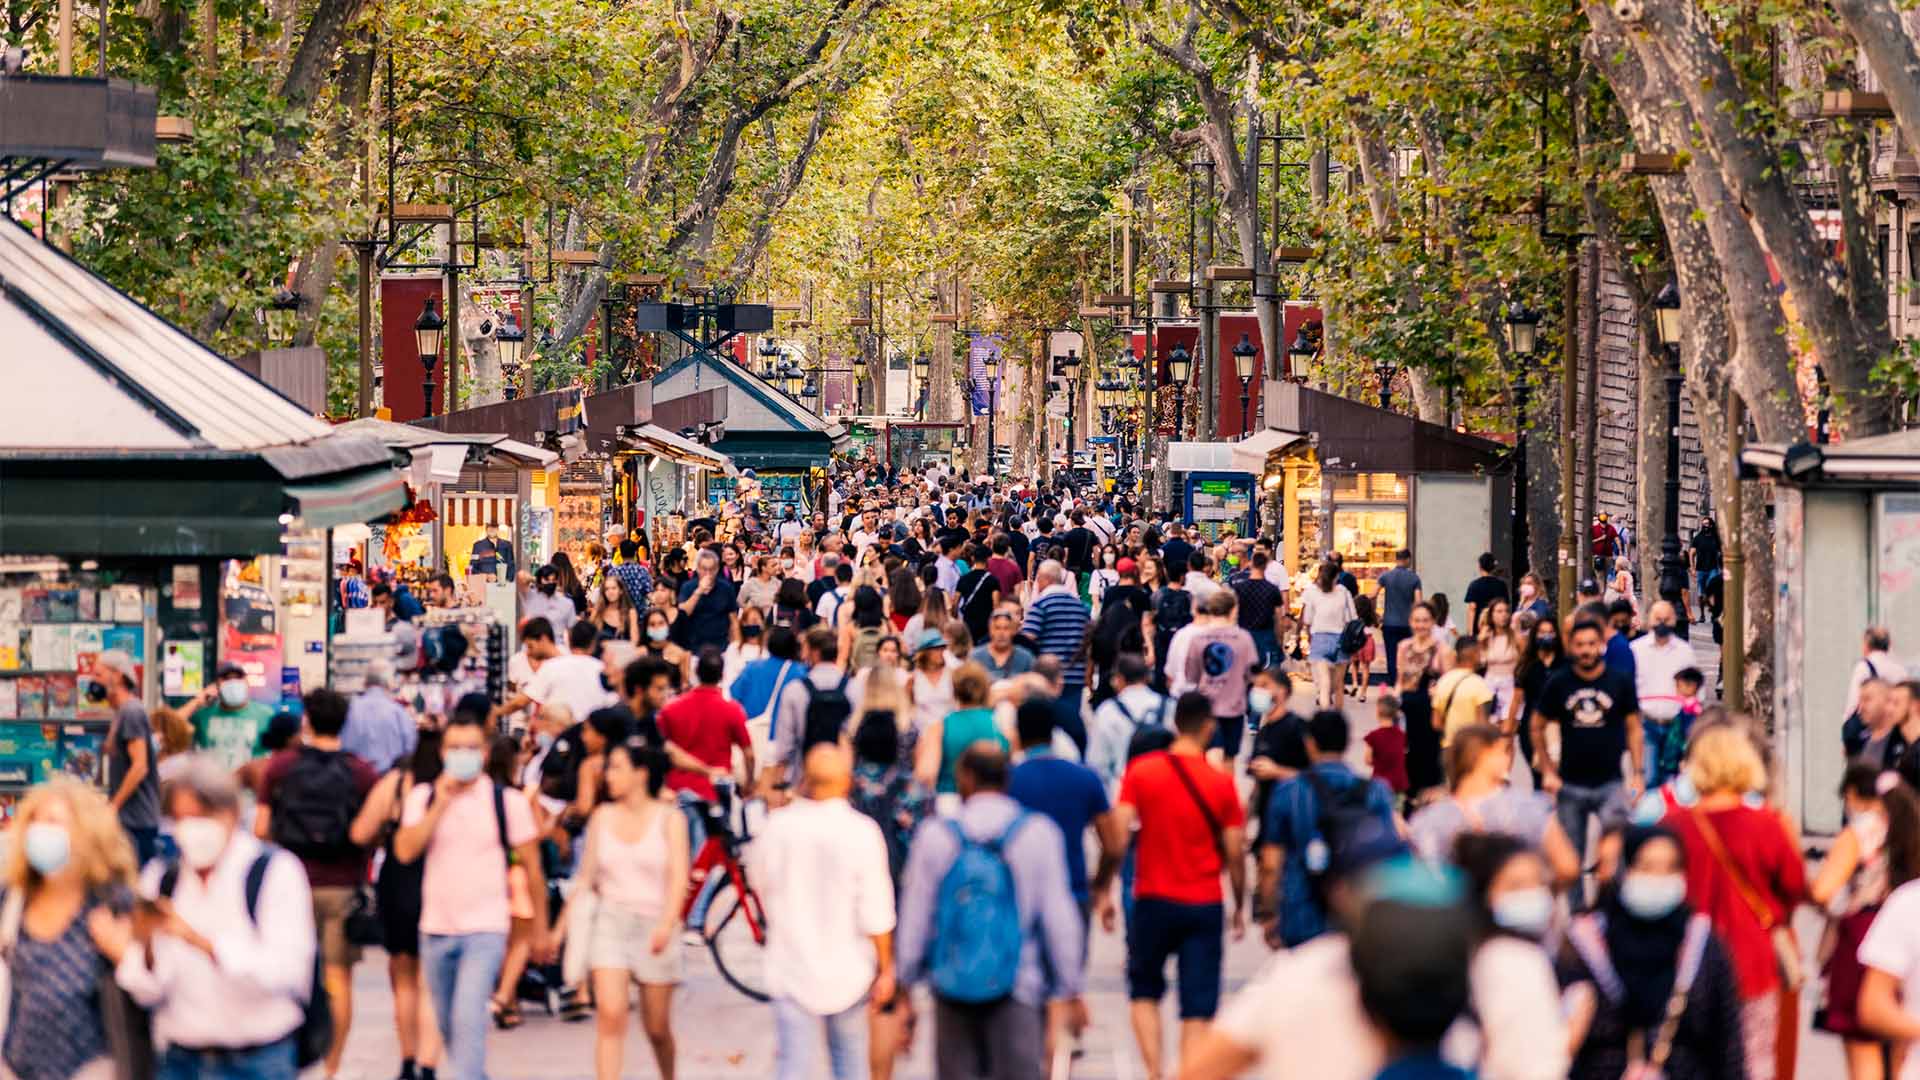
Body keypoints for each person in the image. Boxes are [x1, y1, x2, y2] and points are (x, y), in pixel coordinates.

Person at [107, 757, 317, 1080]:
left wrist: (199, 941)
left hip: (258, 1060)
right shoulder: (164, 878)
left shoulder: (274, 873)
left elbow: (286, 973)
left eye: (200, 816)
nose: (189, 828)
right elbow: (148, 990)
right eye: (179, 818)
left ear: (231, 814)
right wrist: (144, 945)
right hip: (180, 1059)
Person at [896, 745, 1087, 1080]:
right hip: (1019, 985)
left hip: (952, 985)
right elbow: (1059, 919)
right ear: (1006, 779)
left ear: (964, 778)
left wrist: (905, 984)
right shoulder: (1038, 834)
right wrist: (1070, 987)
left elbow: (916, 917)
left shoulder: (936, 835)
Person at [394, 711, 552, 1080]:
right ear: (442, 752)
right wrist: (440, 805)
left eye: (470, 748)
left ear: (484, 753)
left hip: (485, 928)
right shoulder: (424, 796)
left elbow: (532, 867)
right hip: (435, 928)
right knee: (449, 1024)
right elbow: (405, 850)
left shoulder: (506, 803)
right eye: (454, 748)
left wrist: (540, 928)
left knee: (469, 1016)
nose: (462, 755)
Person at [1660, 725, 1808, 1080]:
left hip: (1685, 961)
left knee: (1688, 1058)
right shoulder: (1765, 824)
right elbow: (1795, 885)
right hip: (1752, 959)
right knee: (1753, 1057)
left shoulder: (1673, 824)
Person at [1113, 693, 1247, 1079]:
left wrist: (1105, 887)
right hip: (1203, 902)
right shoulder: (1221, 783)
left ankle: (1155, 1072)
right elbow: (1236, 852)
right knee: (1198, 1006)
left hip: (1152, 897)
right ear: (1208, 728)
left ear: (1176, 724)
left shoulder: (1141, 772)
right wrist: (1240, 904)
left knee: (1143, 991)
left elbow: (1120, 835)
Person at [253, 688, 378, 1080]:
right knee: (338, 978)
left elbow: (260, 829)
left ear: (306, 720)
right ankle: (332, 1068)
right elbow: (370, 832)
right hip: (343, 886)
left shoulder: (280, 767)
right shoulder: (361, 771)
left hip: (289, 885)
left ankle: (291, 1061)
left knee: (288, 974)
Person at [1557, 825, 1746, 1080]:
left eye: (1670, 868)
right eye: (1646, 867)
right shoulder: (1585, 946)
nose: (1658, 878)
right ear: (1624, 871)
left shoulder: (1702, 947)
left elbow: (1728, 1046)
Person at [755, 745, 899, 1080]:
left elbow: (759, 884)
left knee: (794, 1064)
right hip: (848, 971)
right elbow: (876, 911)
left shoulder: (777, 828)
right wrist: (886, 968)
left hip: (790, 965)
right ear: (846, 782)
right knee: (849, 1063)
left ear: (805, 780)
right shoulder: (861, 832)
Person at [0, 778, 138, 1080]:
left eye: (54, 822)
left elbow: (150, 987)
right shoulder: (13, 899)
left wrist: (125, 956)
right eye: (34, 820)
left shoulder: (112, 902)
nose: (40, 831)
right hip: (17, 1065)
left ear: (86, 833)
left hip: (91, 1068)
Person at [569, 737, 688, 1080]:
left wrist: (666, 924)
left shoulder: (670, 819)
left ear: (641, 773)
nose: (608, 775)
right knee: (610, 1013)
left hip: (655, 926)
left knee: (657, 1027)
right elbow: (586, 878)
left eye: (617, 768)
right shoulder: (602, 817)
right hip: (611, 921)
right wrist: (559, 929)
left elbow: (679, 877)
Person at [1811, 765, 1920, 1080]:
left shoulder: (1860, 831)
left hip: (1861, 936)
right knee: (1903, 1046)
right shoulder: (1910, 823)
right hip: (1904, 939)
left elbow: (1823, 891)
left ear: (1853, 795)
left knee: (1863, 1046)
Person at [348, 724, 444, 1080]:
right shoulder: (456, 786)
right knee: (430, 982)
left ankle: (407, 1060)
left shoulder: (398, 781)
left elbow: (360, 832)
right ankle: (429, 1063)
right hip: (444, 880)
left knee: (403, 976)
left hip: (400, 880)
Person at [1258, 709, 1397, 949]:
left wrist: (1269, 912)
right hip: (1357, 914)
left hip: (1301, 912)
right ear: (1346, 743)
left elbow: (1271, 863)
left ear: (1310, 743)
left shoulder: (1289, 791)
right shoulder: (1376, 791)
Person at [1533, 615, 1644, 909]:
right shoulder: (1560, 682)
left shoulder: (1619, 681)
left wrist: (1638, 773)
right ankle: (1577, 920)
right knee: (1572, 860)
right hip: (1570, 784)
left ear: (1602, 645)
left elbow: (1634, 727)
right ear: (1571, 646)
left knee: (1615, 853)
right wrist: (1546, 769)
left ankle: (1613, 910)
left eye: (1592, 644)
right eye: (1580, 644)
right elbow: (1536, 724)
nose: (1585, 650)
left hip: (1611, 782)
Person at [1449, 833, 1574, 1080]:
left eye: (1539, 883)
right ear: (1484, 893)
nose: (1534, 894)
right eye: (1515, 886)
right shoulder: (1515, 961)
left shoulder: (1469, 954)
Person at [1407, 724, 1580, 886]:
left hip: (1454, 913)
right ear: (1484, 756)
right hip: (1519, 911)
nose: (1507, 758)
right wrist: (1538, 890)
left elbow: (1422, 878)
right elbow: (1567, 866)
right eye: (1502, 752)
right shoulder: (1529, 807)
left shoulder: (1428, 819)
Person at [762, 626, 852, 797]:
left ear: (814, 653)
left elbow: (784, 746)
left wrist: (778, 781)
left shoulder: (795, 690)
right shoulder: (854, 688)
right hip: (842, 780)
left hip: (803, 780)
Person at [93, 650, 160, 867]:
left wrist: (113, 807)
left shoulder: (132, 711)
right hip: (129, 821)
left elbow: (139, 766)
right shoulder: (122, 712)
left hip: (136, 823)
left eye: (99, 675)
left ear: (118, 676)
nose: (94, 682)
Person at [493, 620, 614, 729]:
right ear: (593, 644)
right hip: (593, 734)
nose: (528, 653)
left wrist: (496, 712)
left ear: (570, 641)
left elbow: (521, 701)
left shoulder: (552, 666)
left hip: (561, 734)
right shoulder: (602, 669)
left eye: (530, 646)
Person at [916, 662, 1006, 803]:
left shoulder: (939, 727)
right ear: (985, 687)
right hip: (995, 802)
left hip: (950, 803)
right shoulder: (1002, 723)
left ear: (954, 689)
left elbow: (926, 774)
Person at [1631, 601, 1699, 787]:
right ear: (1649, 620)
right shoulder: (1637, 650)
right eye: (1657, 618)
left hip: (1676, 726)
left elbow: (1696, 687)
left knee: (1673, 779)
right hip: (1647, 724)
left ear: (1674, 620)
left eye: (1666, 619)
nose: (1662, 623)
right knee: (1650, 777)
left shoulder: (1685, 652)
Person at [1087, 652, 1169, 798]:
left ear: (1118, 679)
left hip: (1121, 790)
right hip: (1163, 789)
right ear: (1147, 677)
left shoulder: (1108, 711)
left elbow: (1097, 763)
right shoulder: (1168, 706)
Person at [1397, 603, 1453, 801]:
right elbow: (1400, 680)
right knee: (1407, 762)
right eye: (1417, 620)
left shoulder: (1442, 649)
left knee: (1429, 762)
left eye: (1425, 620)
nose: (1421, 625)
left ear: (1432, 622)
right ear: (1411, 622)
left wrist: (1439, 689)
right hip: (1407, 711)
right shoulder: (1404, 647)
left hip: (1430, 714)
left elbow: (1450, 682)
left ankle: (1429, 805)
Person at [1019, 560, 1093, 707]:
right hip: (1076, 675)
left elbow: (1028, 639)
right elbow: (1089, 642)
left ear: (1046, 579)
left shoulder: (1040, 605)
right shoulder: (1081, 607)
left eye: (1038, 578)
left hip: (1048, 678)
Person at [187, 662, 276, 772]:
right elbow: (168, 731)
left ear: (247, 682)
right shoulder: (201, 716)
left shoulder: (266, 715)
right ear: (216, 685)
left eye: (238, 678)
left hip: (250, 787)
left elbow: (278, 756)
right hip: (213, 787)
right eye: (226, 679)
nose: (233, 683)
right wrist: (196, 702)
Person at [1299, 560, 1357, 710]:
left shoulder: (1311, 592)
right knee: (1338, 685)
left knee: (1324, 684)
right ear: (1336, 576)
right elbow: (1352, 618)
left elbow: (1307, 619)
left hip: (1320, 639)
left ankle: (1325, 719)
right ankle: (1337, 718)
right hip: (1341, 640)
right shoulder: (1343, 592)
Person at [342, 658, 416, 771]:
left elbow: (342, 748)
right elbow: (410, 752)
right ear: (390, 683)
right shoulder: (399, 714)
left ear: (365, 682)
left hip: (355, 781)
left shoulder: (349, 710)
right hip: (389, 782)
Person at [1431, 638, 1493, 749]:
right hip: (1471, 749)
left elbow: (1436, 723)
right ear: (1475, 654)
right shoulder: (1479, 684)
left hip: (1449, 748)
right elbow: (1482, 725)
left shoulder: (1443, 681)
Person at [676, 549, 741, 653]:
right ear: (698, 569)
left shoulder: (726, 588)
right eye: (704, 569)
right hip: (693, 648)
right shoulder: (688, 587)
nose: (708, 573)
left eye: (711, 569)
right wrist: (698, 592)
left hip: (720, 647)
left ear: (717, 569)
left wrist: (736, 647)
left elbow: (733, 620)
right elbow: (683, 613)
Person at [1229, 550, 1285, 669]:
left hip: (1245, 636)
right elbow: (1278, 618)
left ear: (1251, 564)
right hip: (1267, 638)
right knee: (1269, 677)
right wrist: (1279, 640)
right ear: (1265, 566)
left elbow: (1232, 615)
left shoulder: (1239, 588)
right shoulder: (1272, 589)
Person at [1376, 549, 1423, 687]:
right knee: (1407, 655)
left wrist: (1375, 615)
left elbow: (1372, 594)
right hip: (1407, 625)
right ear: (1408, 559)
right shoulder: (1414, 578)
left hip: (1389, 623)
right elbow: (1419, 602)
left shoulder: (1385, 576)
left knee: (1391, 656)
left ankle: (1394, 683)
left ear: (1396, 559)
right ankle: (1405, 683)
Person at [1848, 627, 1910, 719]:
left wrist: (1848, 723)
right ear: (1888, 645)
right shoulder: (1900, 669)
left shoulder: (1864, 667)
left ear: (1866, 645)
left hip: (1872, 724)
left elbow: (1854, 702)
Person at [1362, 693, 1409, 804]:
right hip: (1398, 783)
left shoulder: (1373, 736)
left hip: (1380, 782)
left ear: (1378, 712)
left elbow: (1367, 760)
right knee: (1396, 812)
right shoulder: (1401, 735)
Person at [971, 607, 1036, 681]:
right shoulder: (975, 657)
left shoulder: (1026, 658)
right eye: (997, 628)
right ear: (990, 630)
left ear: (1013, 631)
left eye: (1006, 628)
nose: (1001, 633)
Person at [518, 564, 578, 636]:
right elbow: (521, 576)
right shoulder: (530, 596)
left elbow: (572, 630)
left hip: (556, 643)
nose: (551, 583)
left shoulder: (566, 603)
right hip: (533, 643)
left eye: (554, 579)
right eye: (547, 579)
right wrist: (536, 580)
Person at [1462, 553, 1509, 635]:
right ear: (1494, 568)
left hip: (1480, 628)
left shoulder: (1474, 585)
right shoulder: (1501, 585)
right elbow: (1505, 606)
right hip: (1497, 626)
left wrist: (1470, 632)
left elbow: (1472, 608)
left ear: (1480, 567)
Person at [591, 573, 642, 646]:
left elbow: (634, 639)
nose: (610, 592)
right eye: (607, 589)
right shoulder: (598, 611)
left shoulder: (631, 612)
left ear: (621, 591)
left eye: (614, 588)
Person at [1689, 515, 1722, 623]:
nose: (1705, 526)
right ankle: (1702, 614)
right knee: (1700, 593)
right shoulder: (1698, 538)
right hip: (1701, 569)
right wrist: (1692, 568)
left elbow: (1721, 552)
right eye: (1703, 524)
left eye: (1707, 524)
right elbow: (1692, 553)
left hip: (1713, 568)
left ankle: (1713, 613)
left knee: (1711, 591)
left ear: (1711, 525)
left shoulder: (1716, 539)